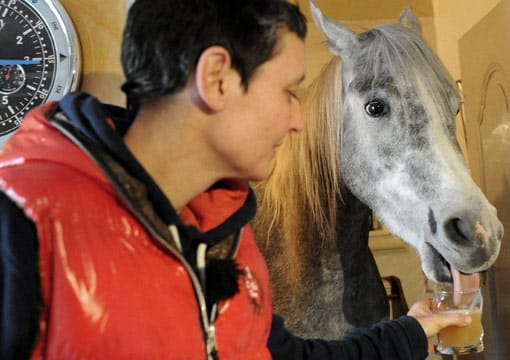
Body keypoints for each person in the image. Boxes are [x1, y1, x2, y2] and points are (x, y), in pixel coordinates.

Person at [0, 0, 471, 358]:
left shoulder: (229, 237)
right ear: (218, 79)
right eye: (288, 91)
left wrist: (411, 331)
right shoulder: (21, 229)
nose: (298, 120)